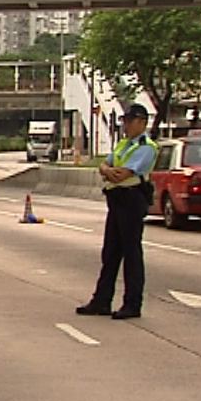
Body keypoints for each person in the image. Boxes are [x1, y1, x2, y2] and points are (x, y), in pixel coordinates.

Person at [76, 103, 159, 320]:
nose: (126, 125)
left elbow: (122, 173)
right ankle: (101, 301)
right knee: (110, 253)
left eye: (130, 121)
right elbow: (105, 165)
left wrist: (109, 172)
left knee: (131, 254)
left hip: (132, 199)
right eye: (125, 121)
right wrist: (107, 170)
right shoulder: (124, 144)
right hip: (116, 200)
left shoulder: (146, 146)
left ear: (142, 122)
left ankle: (132, 304)